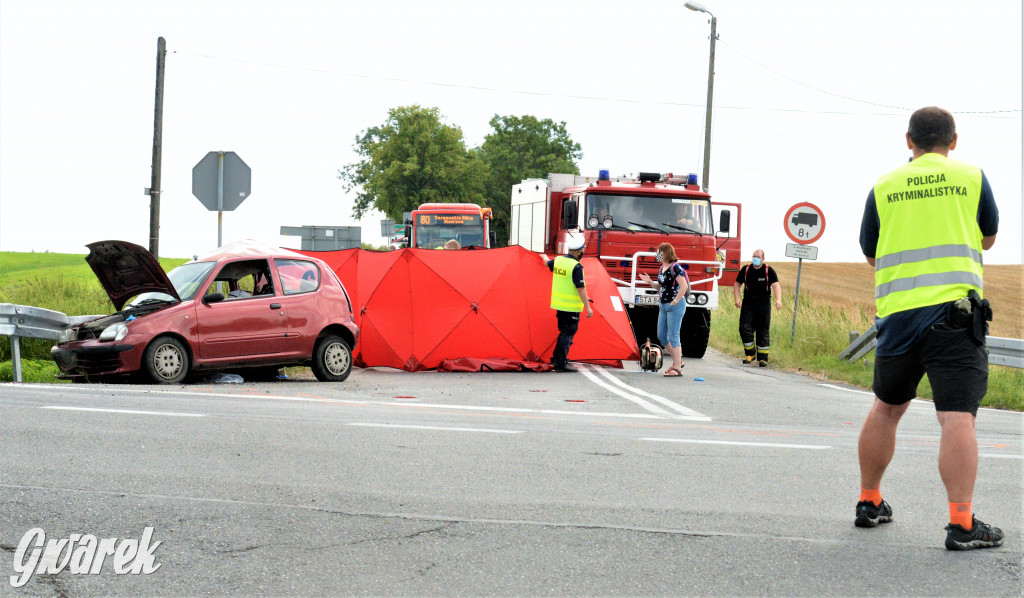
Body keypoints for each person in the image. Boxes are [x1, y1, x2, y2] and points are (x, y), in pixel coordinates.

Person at [855, 106, 1001, 550]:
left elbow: (870, 254)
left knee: (886, 407)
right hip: (953, 318)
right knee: (956, 416)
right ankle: (961, 524)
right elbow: (988, 238)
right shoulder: (972, 177)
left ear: (909, 141)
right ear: (953, 141)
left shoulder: (884, 185)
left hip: (898, 317)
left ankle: (869, 501)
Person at [638, 243, 690, 376]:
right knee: (661, 335)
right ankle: (677, 361)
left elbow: (683, 286)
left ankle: (677, 368)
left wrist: (675, 301)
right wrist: (649, 281)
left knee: (674, 335)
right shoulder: (662, 268)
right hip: (663, 305)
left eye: (659, 252)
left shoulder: (675, 267)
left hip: (675, 306)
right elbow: (660, 287)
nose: (657, 254)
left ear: (666, 253)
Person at [546, 232, 593, 372]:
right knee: (568, 333)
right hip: (571, 307)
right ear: (579, 251)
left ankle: (557, 359)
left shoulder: (558, 260)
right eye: (583, 250)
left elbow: (546, 262)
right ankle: (560, 363)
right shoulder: (576, 266)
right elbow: (580, 289)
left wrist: (542, 256)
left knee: (564, 332)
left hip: (559, 305)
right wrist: (588, 307)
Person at [733, 249, 782, 366]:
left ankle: (763, 358)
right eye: (754, 256)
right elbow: (737, 284)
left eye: (758, 257)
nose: (755, 258)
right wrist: (737, 299)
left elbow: (775, 285)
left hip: (763, 305)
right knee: (744, 328)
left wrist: (778, 300)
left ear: (763, 259)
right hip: (748, 304)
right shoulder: (746, 269)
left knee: (763, 330)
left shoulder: (768, 270)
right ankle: (750, 354)